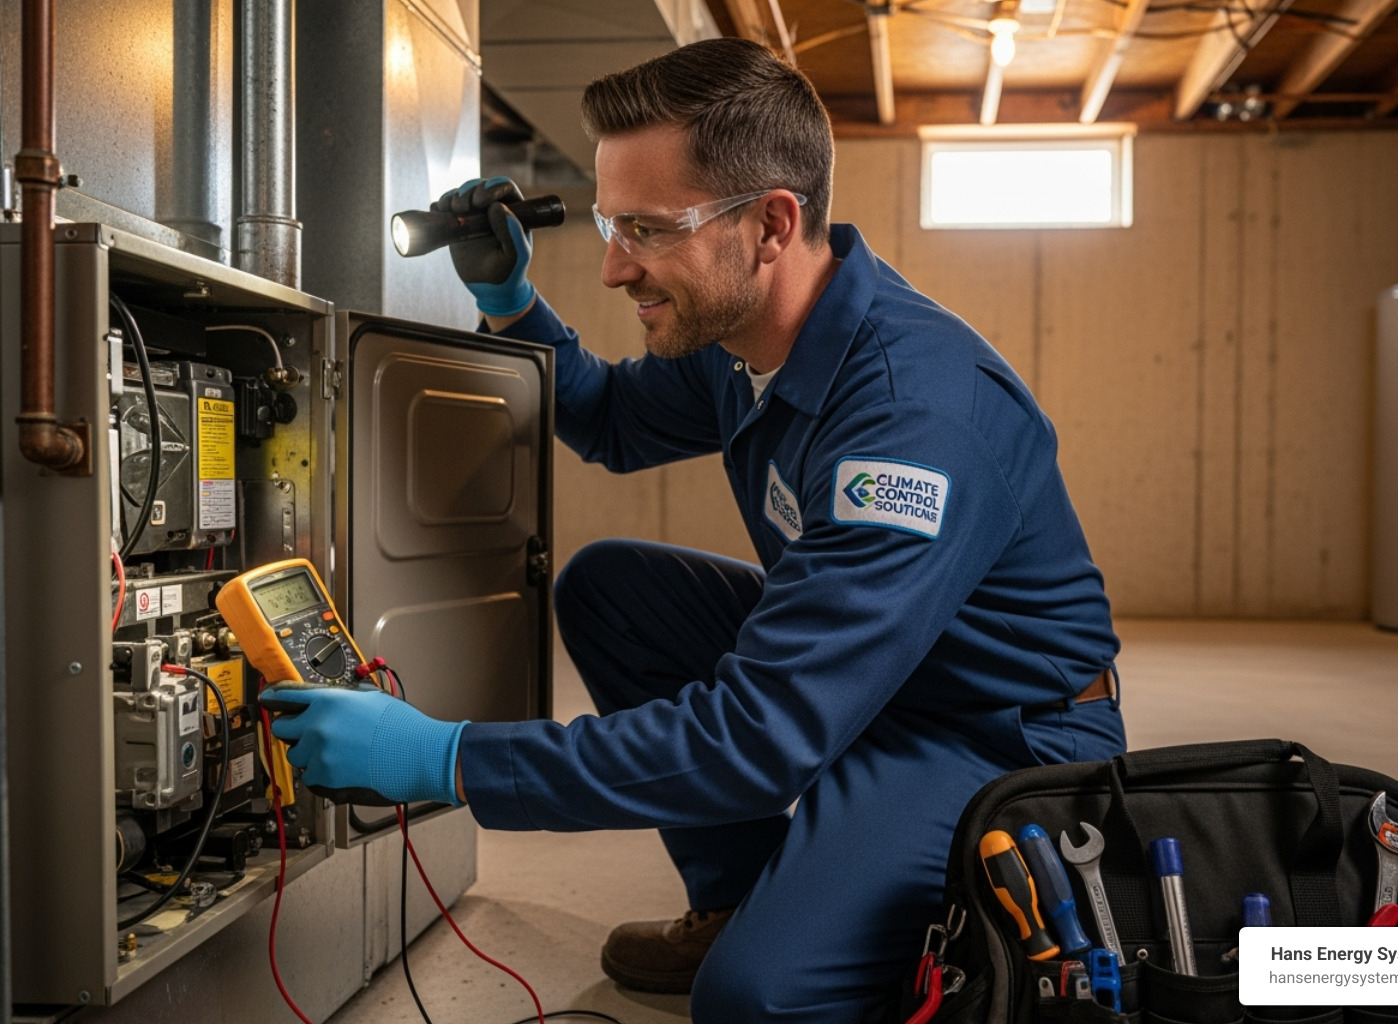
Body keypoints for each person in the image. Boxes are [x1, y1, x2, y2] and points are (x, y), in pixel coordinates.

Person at [261, 36, 1126, 1022]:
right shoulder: (745, 337)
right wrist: (509, 300)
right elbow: (616, 420)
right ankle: (741, 892)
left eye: (648, 228)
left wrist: (451, 758)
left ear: (770, 224)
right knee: (612, 591)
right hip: (879, 673)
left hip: (995, 728)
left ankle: (876, 932)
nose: (618, 266)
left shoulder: (912, 420)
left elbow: (760, 737)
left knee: (758, 999)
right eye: (606, 222)